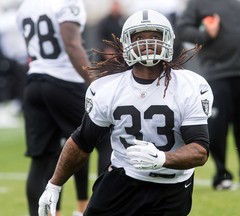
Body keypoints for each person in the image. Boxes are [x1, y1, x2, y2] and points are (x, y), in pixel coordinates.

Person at [37, 9, 213, 216]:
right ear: (126, 43)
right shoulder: (108, 88)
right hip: (123, 181)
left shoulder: (189, 86)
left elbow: (200, 150)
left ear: (168, 40)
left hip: (173, 187)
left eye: (155, 37)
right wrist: (54, 185)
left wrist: (163, 158)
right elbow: (82, 141)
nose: (147, 44)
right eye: (139, 37)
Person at [16, 0, 111, 215]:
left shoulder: (25, 7)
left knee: (41, 159)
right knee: (104, 137)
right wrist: (94, 82)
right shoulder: (67, 2)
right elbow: (71, 44)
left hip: (33, 83)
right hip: (64, 82)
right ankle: (100, 209)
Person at [177, 0, 240, 190]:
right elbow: (182, 30)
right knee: (217, 128)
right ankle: (221, 175)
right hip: (217, 74)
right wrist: (206, 34)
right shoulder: (198, 3)